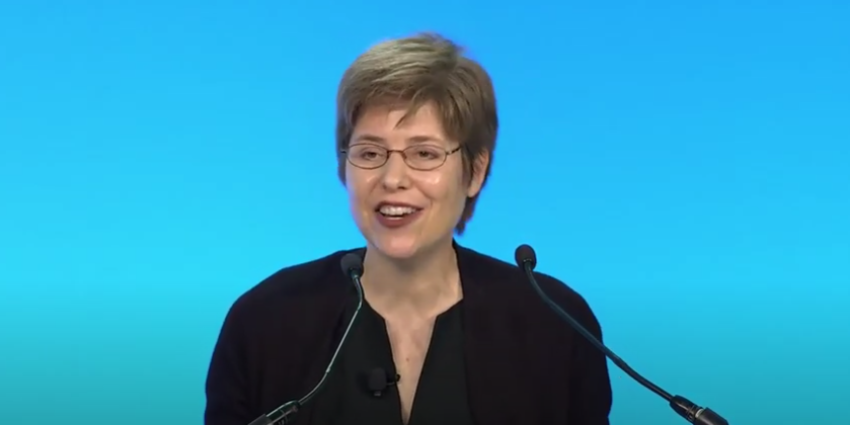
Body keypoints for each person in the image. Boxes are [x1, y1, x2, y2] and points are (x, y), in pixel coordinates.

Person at [204, 32, 612, 425]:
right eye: (370, 152)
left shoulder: (555, 324)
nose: (392, 177)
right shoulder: (264, 321)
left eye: (423, 153)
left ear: (475, 170)